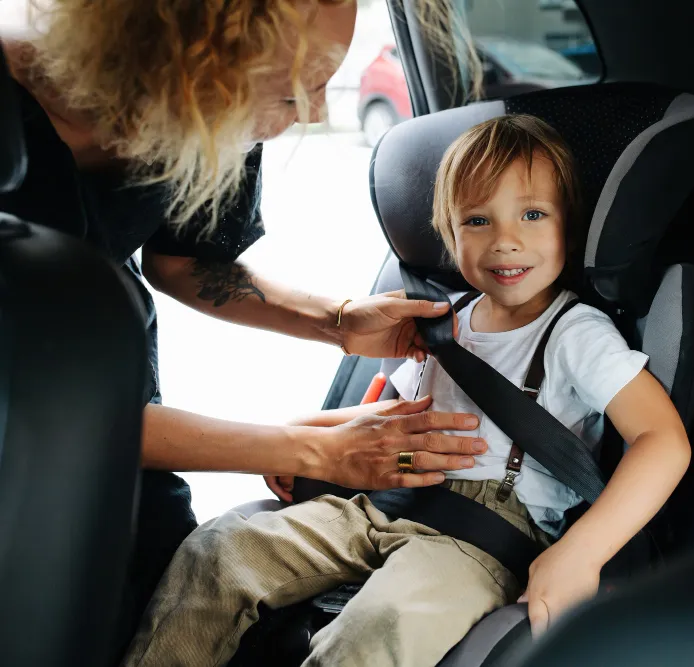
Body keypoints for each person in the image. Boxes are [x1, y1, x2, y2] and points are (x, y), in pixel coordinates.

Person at [0, 0, 487, 657]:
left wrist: (337, 321)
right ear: (187, 56)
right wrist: (311, 450)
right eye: (293, 91)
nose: (313, 112)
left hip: (120, 440)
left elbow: (184, 260)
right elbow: (57, 410)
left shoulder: (206, 116)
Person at [121, 115, 692, 667]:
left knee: (380, 624)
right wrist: (298, 441)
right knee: (221, 550)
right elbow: (392, 419)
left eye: (533, 214)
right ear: (448, 233)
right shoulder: (443, 320)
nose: (505, 241)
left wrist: (581, 553)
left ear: (570, 225)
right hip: (380, 501)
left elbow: (662, 440)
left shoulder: (575, 333)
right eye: (477, 221)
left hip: (482, 535)